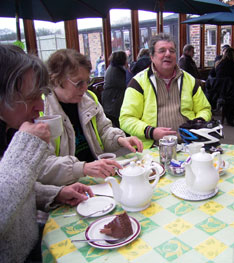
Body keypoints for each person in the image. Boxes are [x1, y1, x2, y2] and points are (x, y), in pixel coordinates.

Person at [0, 44, 93, 263]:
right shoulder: (21, 134)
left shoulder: (9, 129)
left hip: (33, 245)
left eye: (41, 95)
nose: (40, 107)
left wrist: (56, 193)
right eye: (32, 97)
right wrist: (26, 147)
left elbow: (19, 190)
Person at [39, 49, 143, 186]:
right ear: (56, 79)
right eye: (78, 83)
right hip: (65, 186)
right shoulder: (41, 111)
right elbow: (42, 166)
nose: (84, 88)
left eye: (87, 81)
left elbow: (104, 130)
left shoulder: (88, 99)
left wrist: (120, 139)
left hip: (96, 178)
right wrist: (82, 168)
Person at [119, 33, 212, 149]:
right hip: (153, 146)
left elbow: (204, 109)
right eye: (162, 51)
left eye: (172, 51)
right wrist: (151, 132)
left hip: (188, 145)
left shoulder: (190, 80)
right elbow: (126, 119)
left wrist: (198, 122)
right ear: (152, 57)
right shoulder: (138, 83)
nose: (168, 54)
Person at [102, 51, 128, 127]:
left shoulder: (113, 67)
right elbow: (125, 85)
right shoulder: (116, 71)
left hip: (110, 98)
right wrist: (127, 69)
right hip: (113, 102)